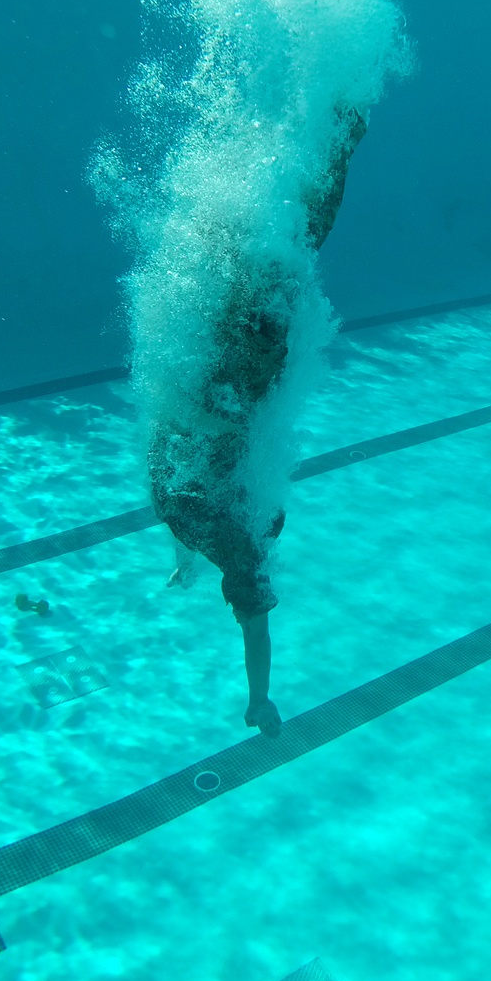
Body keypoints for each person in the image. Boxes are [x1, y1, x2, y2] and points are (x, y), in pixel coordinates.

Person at [148, 108, 367, 736]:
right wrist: (258, 699)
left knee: (289, 252)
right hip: (223, 375)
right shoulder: (207, 525)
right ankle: (294, 154)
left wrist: (259, 699)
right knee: (273, 257)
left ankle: (327, 137)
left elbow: (257, 631)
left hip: (237, 373)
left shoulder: (230, 542)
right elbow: (181, 510)